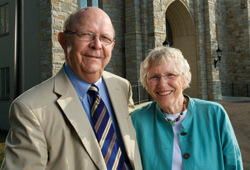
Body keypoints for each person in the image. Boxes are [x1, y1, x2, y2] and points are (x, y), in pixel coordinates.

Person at [1, 7, 142, 170]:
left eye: (105, 38)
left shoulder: (122, 87)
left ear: (112, 46)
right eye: (86, 34)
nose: (97, 45)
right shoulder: (29, 109)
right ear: (63, 41)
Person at [131, 46, 243, 170]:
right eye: (154, 77)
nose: (162, 84)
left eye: (170, 75)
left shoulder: (215, 114)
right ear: (146, 83)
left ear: (184, 80)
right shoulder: (136, 120)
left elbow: (234, 164)